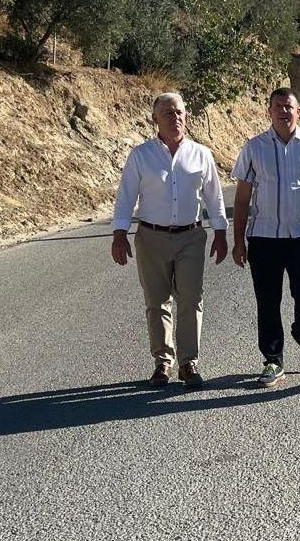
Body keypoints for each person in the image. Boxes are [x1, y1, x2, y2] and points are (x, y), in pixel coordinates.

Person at [111, 92, 229, 388]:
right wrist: (119, 234)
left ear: (185, 117)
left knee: (191, 299)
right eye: (167, 113)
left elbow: (214, 197)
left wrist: (221, 232)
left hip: (191, 236)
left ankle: (189, 362)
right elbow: (126, 196)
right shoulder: (141, 155)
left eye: (179, 112)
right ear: (155, 119)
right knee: (156, 301)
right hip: (152, 237)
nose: (175, 118)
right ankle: (163, 362)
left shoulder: (201, 154)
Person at [229, 88, 300, 387]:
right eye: (278, 106)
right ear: (269, 111)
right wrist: (238, 241)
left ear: (298, 111)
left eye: (289, 106)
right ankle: (272, 360)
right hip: (265, 239)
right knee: (267, 300)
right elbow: (241, 199)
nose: (283, 111)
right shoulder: (254, 147)